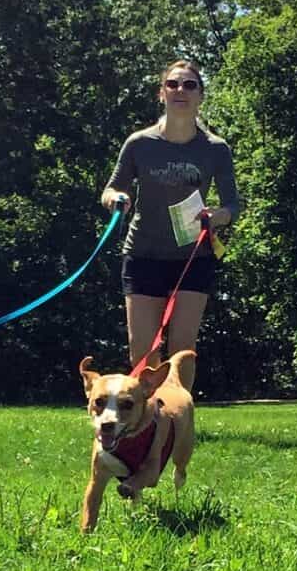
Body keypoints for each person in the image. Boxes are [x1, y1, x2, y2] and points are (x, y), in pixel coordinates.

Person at [101, 59, 240, 369]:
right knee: (144, 354)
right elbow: (109, 190)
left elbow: (233, 206)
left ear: (201, 95)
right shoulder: (139, 143)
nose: (181, 90)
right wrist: (116, 198)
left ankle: (178, 418)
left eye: (190, 85)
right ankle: (148, 419)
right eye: (173, 84)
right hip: (143, 254)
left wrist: (216, 216)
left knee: (181, 352)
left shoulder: (216, 148)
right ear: (161, 93)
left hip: (193, 257)